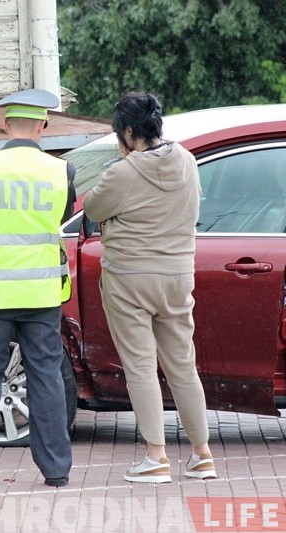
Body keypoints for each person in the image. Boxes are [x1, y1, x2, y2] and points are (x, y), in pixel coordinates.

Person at [82, 92, 217, 483]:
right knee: (182, 366)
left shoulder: (123, 172)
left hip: (129, 279)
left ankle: (156, 458)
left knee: (140, 366)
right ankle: (201, 455)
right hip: (177, 276)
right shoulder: (188, 162)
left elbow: (92, 209)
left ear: (127, 132)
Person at [0, 88, 76, 488]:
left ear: (5, 125)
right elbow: (63, 217)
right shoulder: (61, 172)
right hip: (42, 295)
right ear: (42, 125)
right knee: (46, 376)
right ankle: (56, 469)